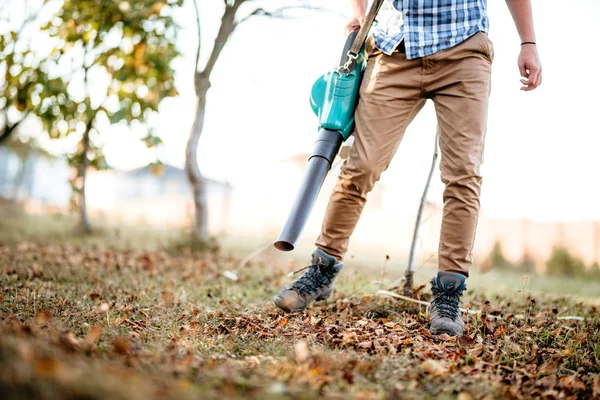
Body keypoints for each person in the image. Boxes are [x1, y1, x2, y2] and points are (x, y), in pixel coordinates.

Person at [274, 0, 542, 336]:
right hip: (393, 48)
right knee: (361, 165)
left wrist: (527, 42)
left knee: (463, 174)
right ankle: (321, 271)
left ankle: (448, 294)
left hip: (464, 48)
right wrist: (358, 11)